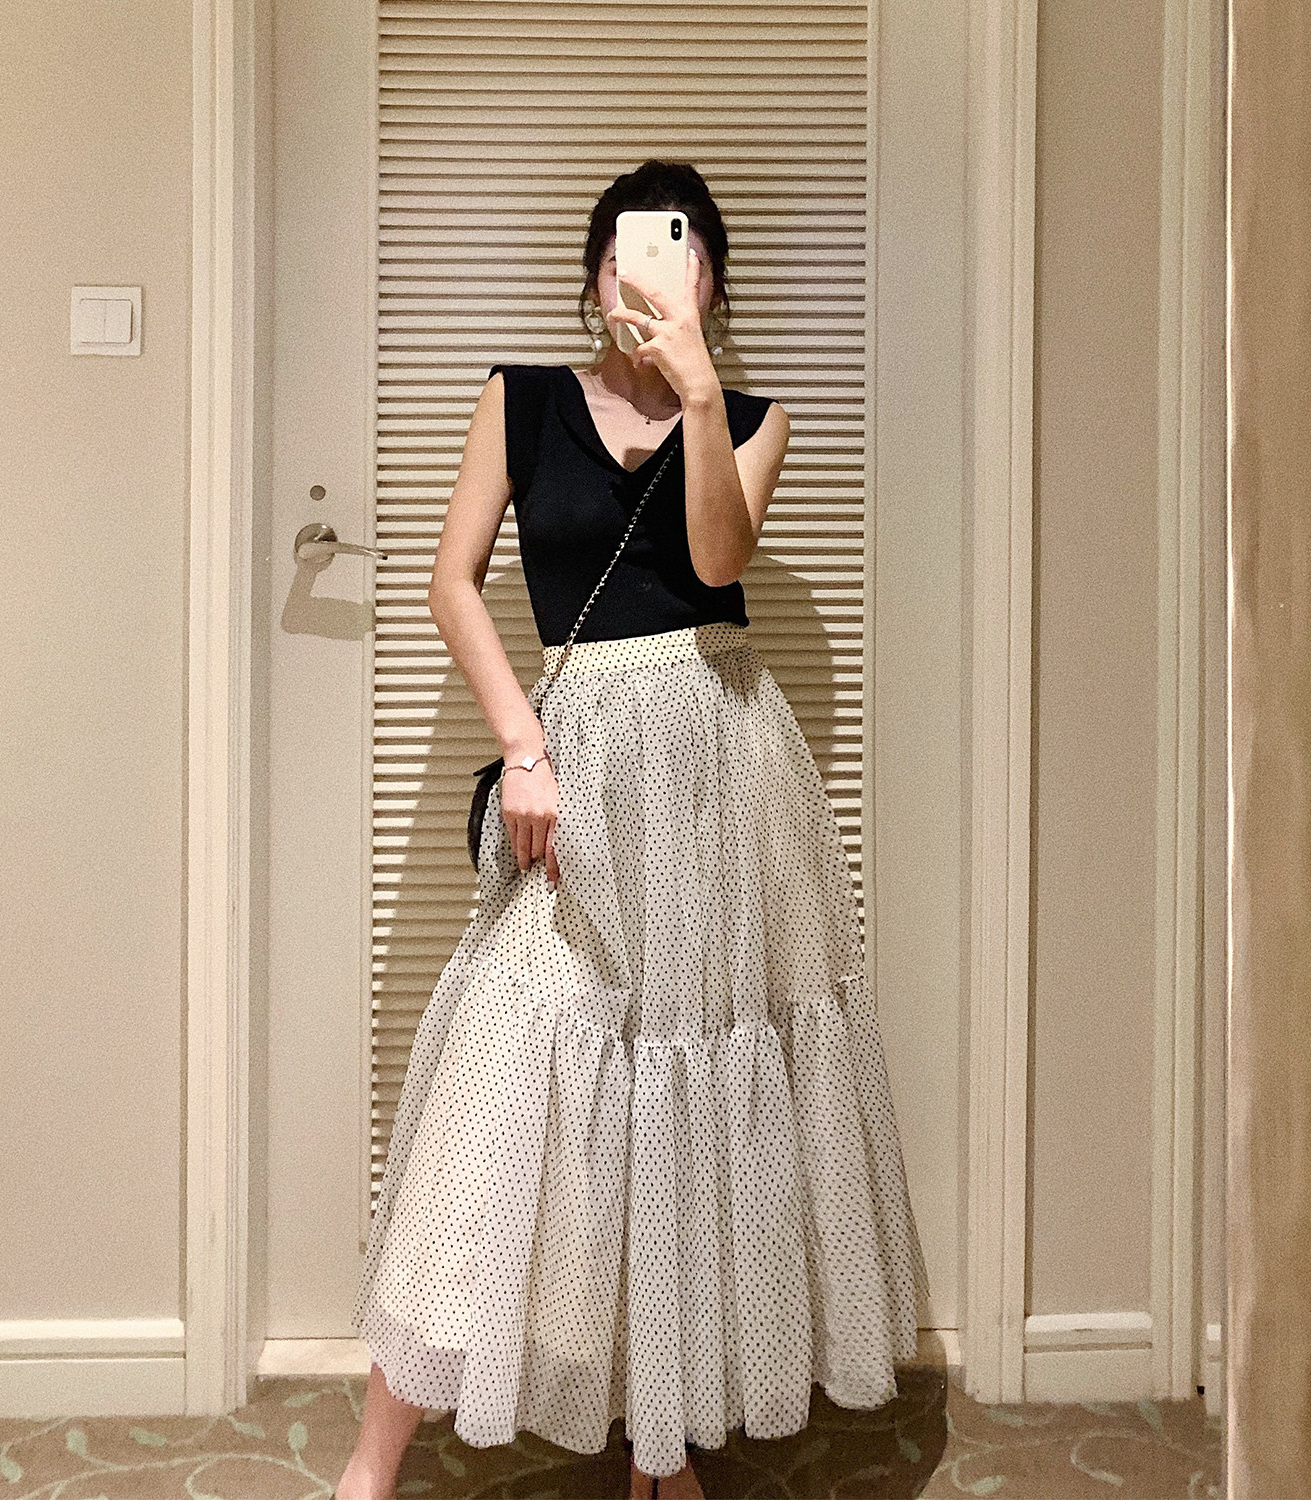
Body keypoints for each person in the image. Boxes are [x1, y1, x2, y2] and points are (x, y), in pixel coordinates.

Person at [334, 160, 930, 1500]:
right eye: (621, 252)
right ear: (593, 275)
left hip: (723, 776)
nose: (642, 273)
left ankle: (664, 1448)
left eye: (672, 250)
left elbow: (716, 563)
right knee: (504, 1083)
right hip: (579, 761)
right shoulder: (520, 400)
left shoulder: (756, 419)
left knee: (696, 1093)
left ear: (709, 275)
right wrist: (522, 746)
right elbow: (451, 579)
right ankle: (373, 1464)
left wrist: (702, 392)